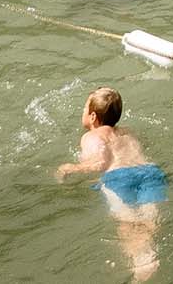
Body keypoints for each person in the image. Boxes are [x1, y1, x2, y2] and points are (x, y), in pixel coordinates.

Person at [56, 86, 165, 280]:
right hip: (150, 172)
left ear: (92, 118)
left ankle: (141, 259)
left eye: (84, 109)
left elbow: (100, 163)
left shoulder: (90, 136)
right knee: (149, 216)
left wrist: (70, 168)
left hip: (118, 179)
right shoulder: (127, 132)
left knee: (126, 220)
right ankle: (149, 249)